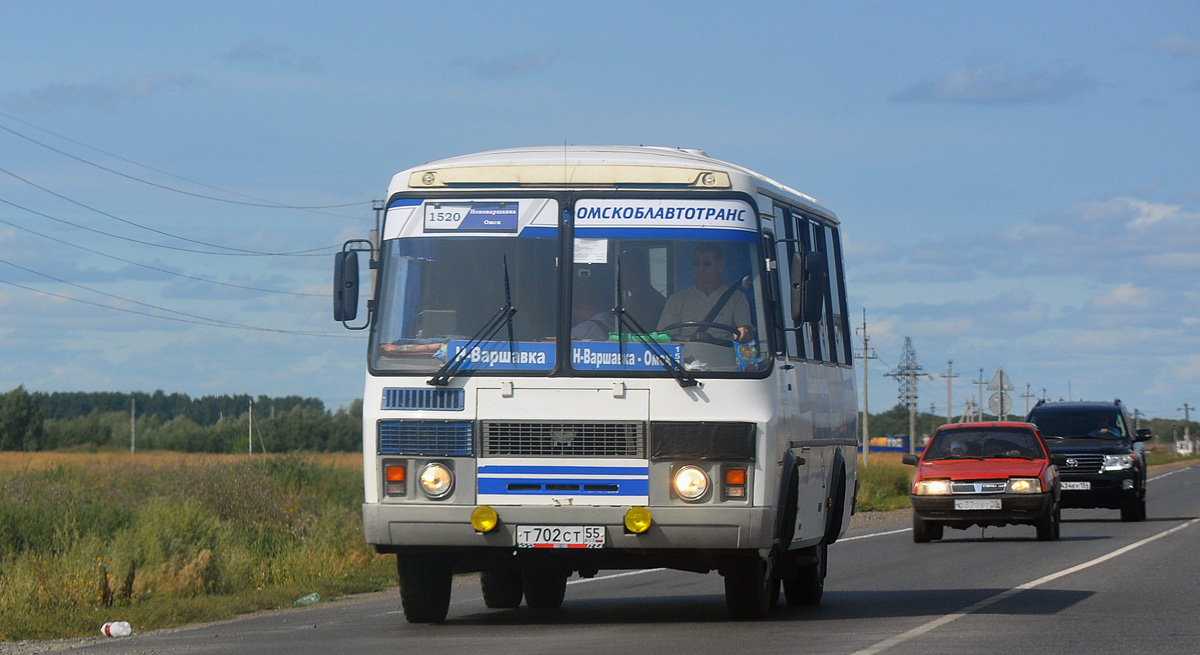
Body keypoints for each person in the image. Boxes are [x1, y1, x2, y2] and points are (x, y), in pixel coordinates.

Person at [657, 244, 754, 343]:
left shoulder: (737, 298)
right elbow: (665, 337)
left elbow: (745, 330)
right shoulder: (676, 299)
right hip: (685, 355)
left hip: (723, 354)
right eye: (696, 263)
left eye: (706, 263)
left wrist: (743, 333)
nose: (701, 268)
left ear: (720, 266)